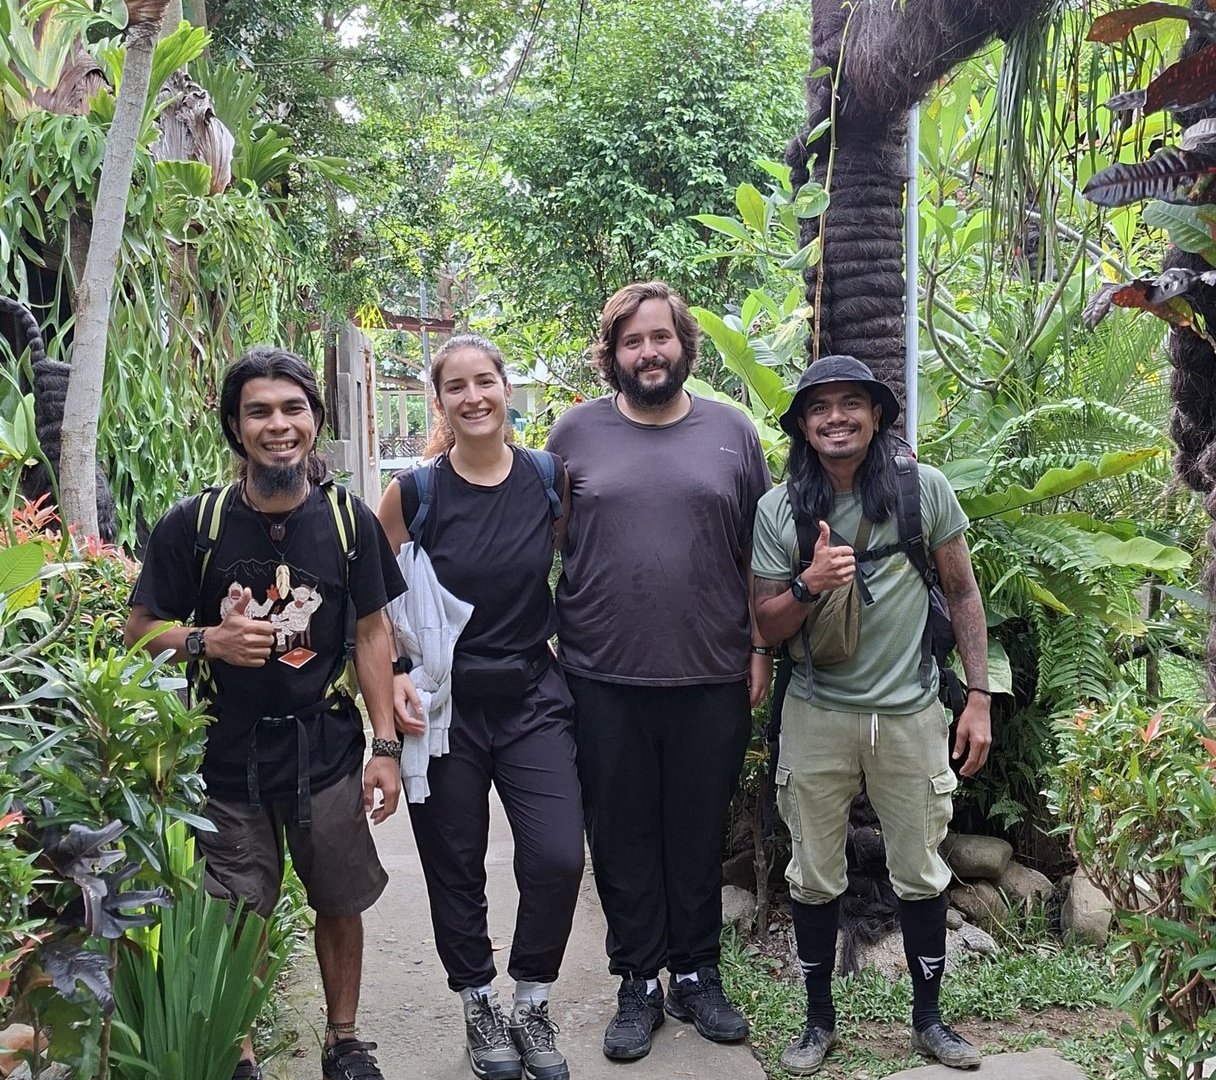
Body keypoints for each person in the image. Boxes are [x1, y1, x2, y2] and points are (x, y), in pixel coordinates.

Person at [125, 347, 422, 1080]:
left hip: (323, 746)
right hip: (226, 754)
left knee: (339, 897)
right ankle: (243, 1049)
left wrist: (384, 745)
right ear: (235, 426)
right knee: (236, 911)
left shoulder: (349, 522)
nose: (277, 425)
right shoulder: (193, 524)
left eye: (293, 409)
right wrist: (208, 640)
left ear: (315, 422)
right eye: (259, 411)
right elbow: (137, 631)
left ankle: (344, 1040)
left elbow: (371, 633)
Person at [545, 280, 771, 1062]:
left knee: (698, 830)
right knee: (621, 833)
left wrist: (759, 647)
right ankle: (638, 979)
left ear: (684, 347)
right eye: (633, 341)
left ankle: (698, 974)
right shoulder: (572, 433)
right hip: (600, 674)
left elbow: (756, 555)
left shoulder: (732, 432)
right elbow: (547, 543)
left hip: (710, 672)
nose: (649, 352)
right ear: (612, 354)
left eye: (661, 338)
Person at [750, 355, 993, 1074]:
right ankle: (817, 1022)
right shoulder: (779, 510)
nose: (835, 417)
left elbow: (963, 594)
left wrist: (978, 698)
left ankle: (930, 1021)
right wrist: (808, 581)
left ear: (877, 415)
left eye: (851, 403)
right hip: (816, 712)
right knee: (814, 875)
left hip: (914, 712)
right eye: (819, 407)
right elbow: (762, 624)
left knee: (920, 871)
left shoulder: (925, 492)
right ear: (801, 424)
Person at [376, 334, 584, 1080]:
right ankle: (478, 1003)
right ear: (440, 402)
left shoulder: (546, 477)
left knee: (558, 854)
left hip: (531, 693)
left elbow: (559, 564)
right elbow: (370, 593)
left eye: (485, 381)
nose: (474, 397)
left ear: (504, 387)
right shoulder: (415, 492)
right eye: (456, 387)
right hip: (446, 705)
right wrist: (395, 670)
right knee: (454, 864)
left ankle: (531, 999)